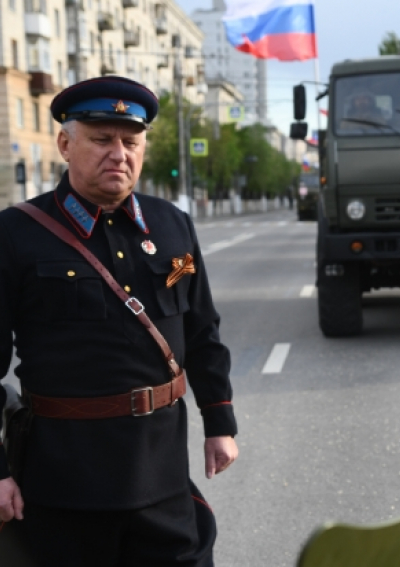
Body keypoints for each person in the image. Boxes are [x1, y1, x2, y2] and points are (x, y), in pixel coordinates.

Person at [0, 76, 239, 566]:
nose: (119, 154)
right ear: (66, 144)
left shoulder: (173, 226)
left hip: (163, 475)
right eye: (101, 139)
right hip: (66, 483)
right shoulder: (15, 234)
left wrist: (220, 422)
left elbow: (202, 330)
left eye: (130, 142)